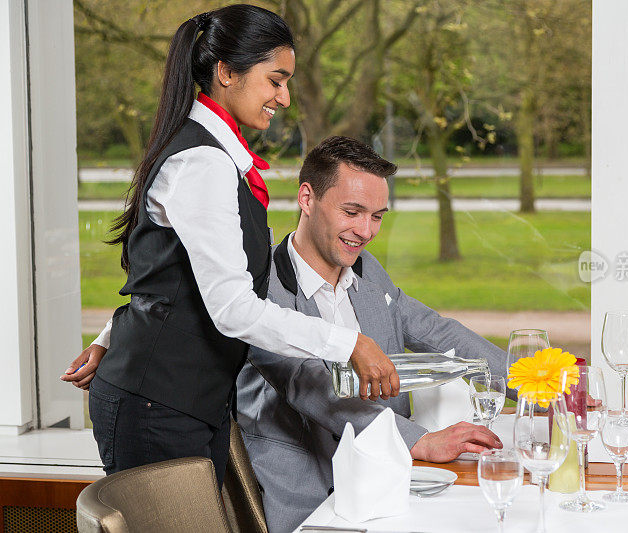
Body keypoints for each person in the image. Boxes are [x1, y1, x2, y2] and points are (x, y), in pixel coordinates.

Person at [62, 6, 398, 488]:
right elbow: (233, 310)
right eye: (275, 80)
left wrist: (111, 339)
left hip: (182, 400)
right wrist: (349, 344)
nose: (283, 98)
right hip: (158, 404)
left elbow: (171, 273)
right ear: (226, 72)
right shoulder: (203, 162)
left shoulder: (209, 153)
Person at [235, 136, 513, 531]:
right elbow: (309, 383)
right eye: (352, 211)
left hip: (396, 486)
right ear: (307, 199)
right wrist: (420, 441)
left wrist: (541, 380)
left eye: (378, 216)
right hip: (315, 501)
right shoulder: (262, 293)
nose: (365, 231)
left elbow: (436, 331)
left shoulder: (369, 272)